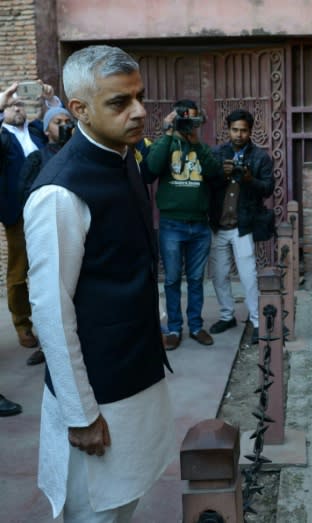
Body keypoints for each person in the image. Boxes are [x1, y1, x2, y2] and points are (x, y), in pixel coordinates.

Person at [24, 44, 174, 521]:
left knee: (125, 502)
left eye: (139, 97)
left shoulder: (123, 156)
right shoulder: (58, 192)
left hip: (135, 374)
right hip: (98, 396)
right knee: (95, 512)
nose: (139, 111)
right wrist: (80, 414)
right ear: (80, 110)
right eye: (119, 102)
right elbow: (51, 311)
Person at [146, 99, 220, 350]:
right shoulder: (166, 143)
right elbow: (151, 168)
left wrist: (196, 143)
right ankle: (175, 328)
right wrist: (168, 132)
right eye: (185, 119)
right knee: (172, 279)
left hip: (199, 224)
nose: (189, 124)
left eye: (193, 119)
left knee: (197, 279)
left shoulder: (202, 147)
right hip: (172, 225)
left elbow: (215, 173)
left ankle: (196, 326)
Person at [0, 81, 60, 351]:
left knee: (50, 267)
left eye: (20, 105)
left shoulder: (36, 130)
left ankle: (52, 322)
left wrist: (49, 98)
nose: (18, 109)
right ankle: (23, 325)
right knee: (18, 271)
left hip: (46, 209)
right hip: (18, 213)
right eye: (12, 107)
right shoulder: (2, 136)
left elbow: (57, 123)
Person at [209, 109, 275, 339]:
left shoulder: (260, 157)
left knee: (248, 275)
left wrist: (249, 179)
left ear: (250, 131)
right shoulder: (216, 153)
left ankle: (257, 322)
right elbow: (206, 183)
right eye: (235, 130)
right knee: (219, 275)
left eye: (243, 130)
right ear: (228, 130)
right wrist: (220, 173)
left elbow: (267, 189)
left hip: (243, 225)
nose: (239, 135)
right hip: (218, 225)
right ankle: (227, 316)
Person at [17, 106, 75, 366]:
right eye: (57, 122)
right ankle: (47, 344)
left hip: (75, 233)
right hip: (47, 233)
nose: (63, 126)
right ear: (46, 128)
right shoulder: (37, 159)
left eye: (67, 121)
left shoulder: (80, 157)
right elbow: (25, 193)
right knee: (47, 291)